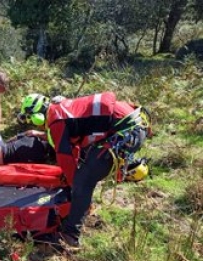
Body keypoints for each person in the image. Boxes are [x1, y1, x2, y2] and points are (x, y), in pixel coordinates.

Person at [18, 92, 152, 248]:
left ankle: (69, 235)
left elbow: (65, 157)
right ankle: (132, 167)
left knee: (83, 182)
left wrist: (73, 185)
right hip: (134, 122)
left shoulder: (56, 121)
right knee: (88, 167)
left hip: (126, 133)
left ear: (37, 117)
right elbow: (74, 145)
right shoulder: (61, 109)